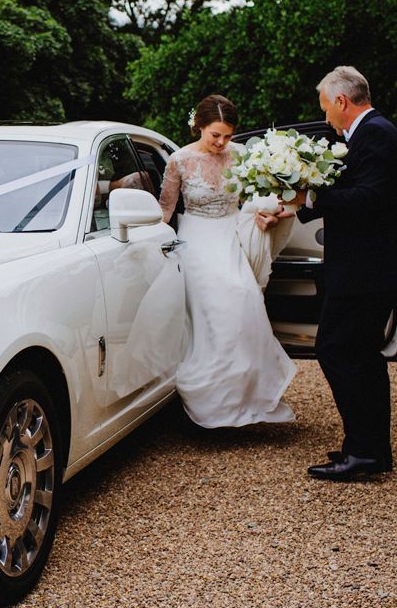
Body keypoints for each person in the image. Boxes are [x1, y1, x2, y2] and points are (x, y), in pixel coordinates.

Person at [269, 66, 397, 480]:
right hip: (362, 269)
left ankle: (365, 453)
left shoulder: (375, 133)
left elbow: (371, 198)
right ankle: (369, 450)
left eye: (325, 108)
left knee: (339, 351)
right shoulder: (364, 134)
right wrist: (307, 200)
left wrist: (313, 195)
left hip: (366, 271)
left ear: (342, 101)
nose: (325, 117)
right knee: (361, 356)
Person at [158, 94, 296, 428]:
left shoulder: (243, 156)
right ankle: (213, 404)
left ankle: (246, 398)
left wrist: (270, 218)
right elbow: (165, 210)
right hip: (197, 238)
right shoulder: (179, 160)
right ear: (199, 127)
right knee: (220, 310)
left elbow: (256, 200)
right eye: (214, 135)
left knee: (247, 302)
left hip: (232, 235)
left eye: (227, 135)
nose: (221, 142)